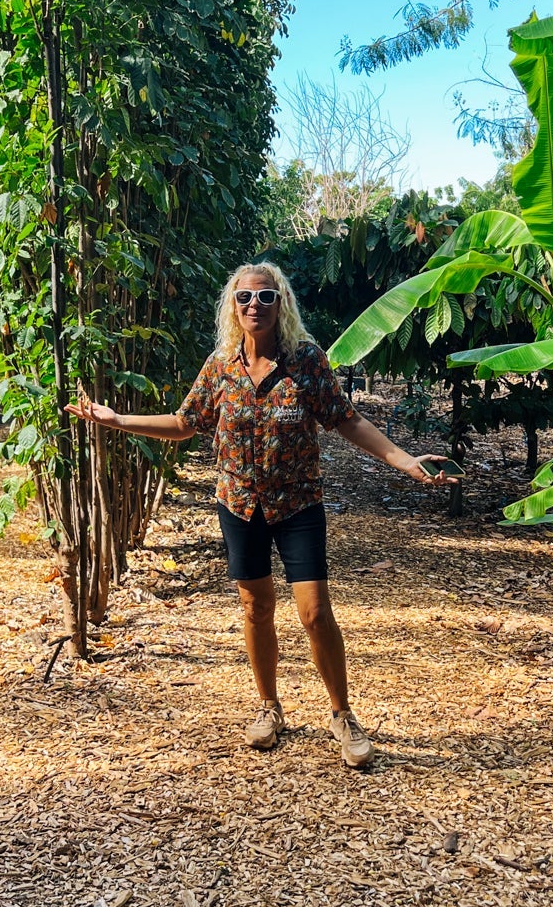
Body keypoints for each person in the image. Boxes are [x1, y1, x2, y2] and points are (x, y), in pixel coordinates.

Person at [67, 262, 453, 767]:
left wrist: (407, 463)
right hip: (239, 504)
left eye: (266, 297)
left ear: (281, 304)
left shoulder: (306, 362)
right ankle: (269, 706)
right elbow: (187, 422)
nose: (255, 306)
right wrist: (118, 420)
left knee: (315, 614)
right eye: (245, 298)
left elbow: (347, 421)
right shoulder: (221, 364)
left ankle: (342, 713)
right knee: (256, 608)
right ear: (233, 306)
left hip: (297, 504)